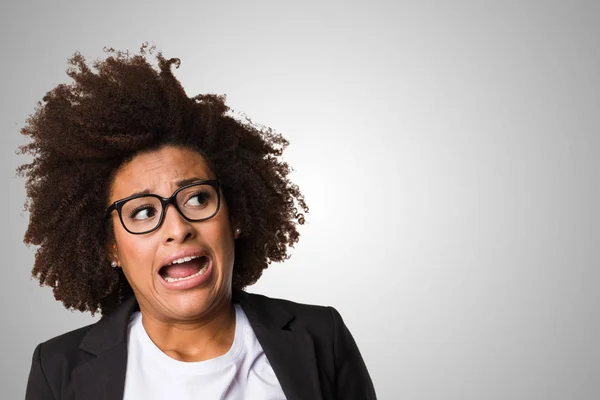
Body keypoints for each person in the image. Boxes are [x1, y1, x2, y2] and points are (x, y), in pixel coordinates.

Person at [19, 43, 377, 400]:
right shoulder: (58, 370)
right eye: (143, 212)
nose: (177, 229)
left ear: (235, 216)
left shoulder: (321, 337)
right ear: (111, 246)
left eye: (197, 198)